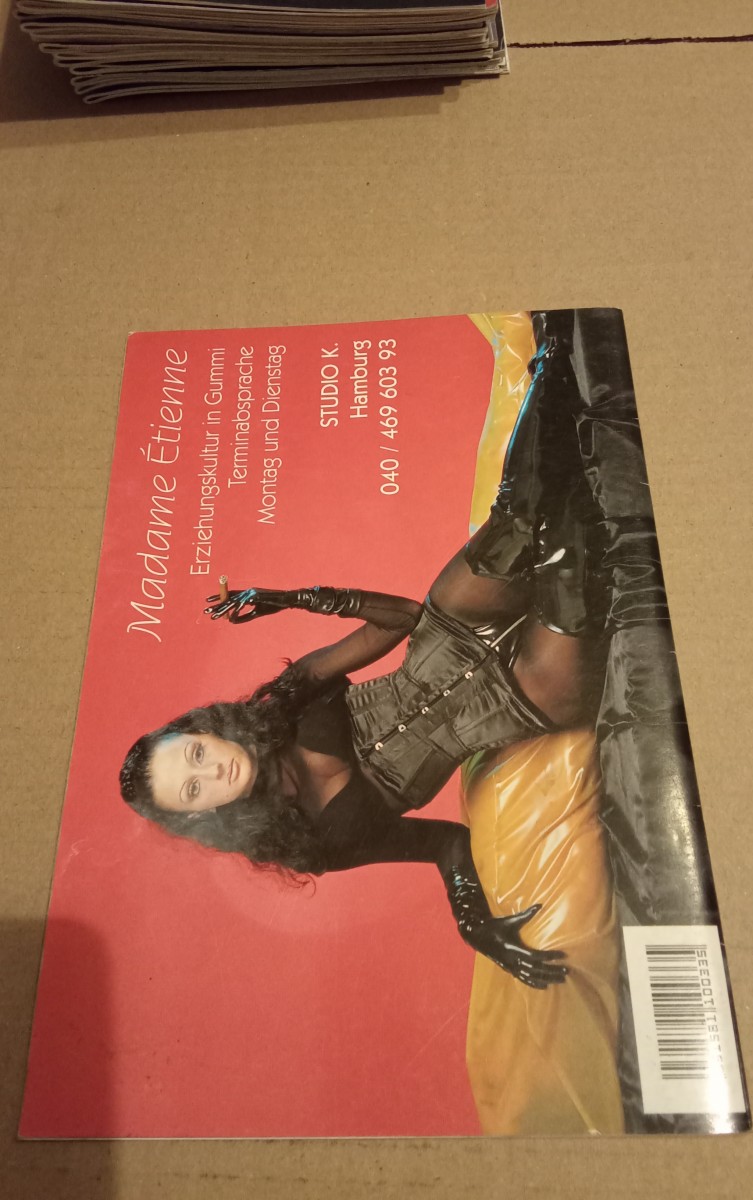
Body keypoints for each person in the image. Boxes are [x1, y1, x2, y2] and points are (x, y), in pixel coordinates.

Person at [120, 309, 649, 995]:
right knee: (564, 562)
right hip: (520, 698)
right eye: (192, 789)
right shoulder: (314, 846)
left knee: (519, 518)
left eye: (193, 753)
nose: (210, 770)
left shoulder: (281, 706)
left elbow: (401, 620)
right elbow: (442, 843)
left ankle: (551, 350)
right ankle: (587, 414)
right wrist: (474, 922)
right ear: (197, 816)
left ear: (202, 732)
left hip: (448, 633)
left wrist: (289, 597)